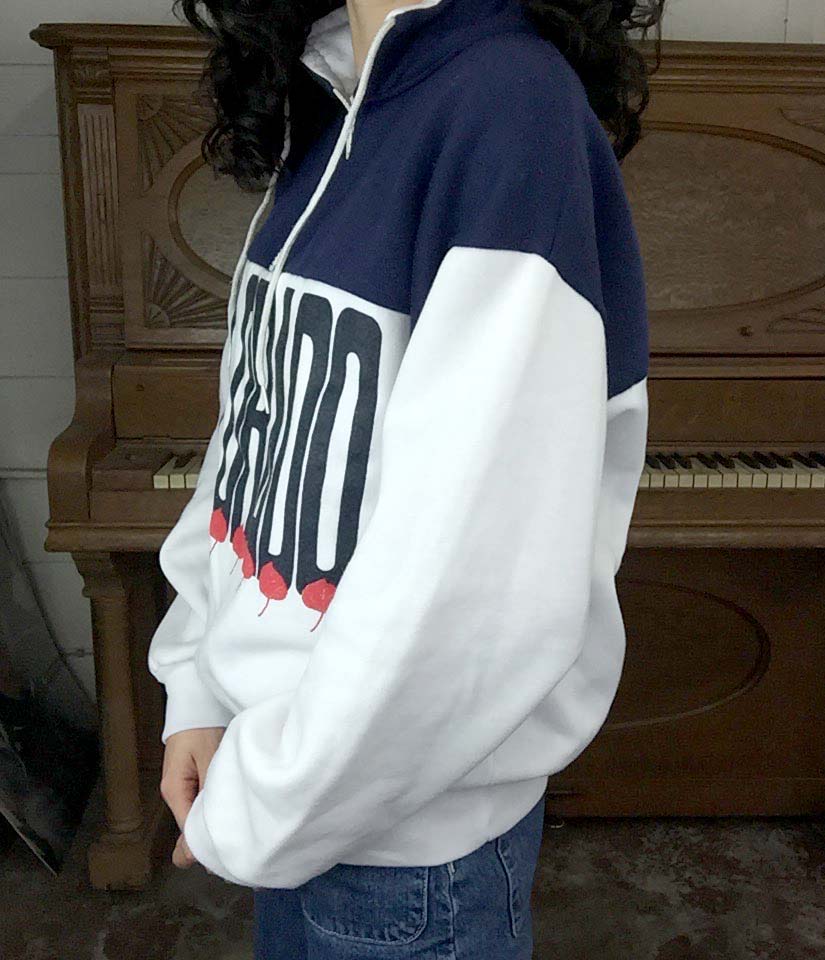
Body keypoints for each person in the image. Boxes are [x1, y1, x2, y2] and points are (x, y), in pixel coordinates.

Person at [148, 0, 661, 954]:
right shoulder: (332, 97)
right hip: (289, 793)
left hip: (408, 866)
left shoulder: (510, 106)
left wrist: (262, 806)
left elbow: (472, 589)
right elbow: (256, 444)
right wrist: (201, 691)